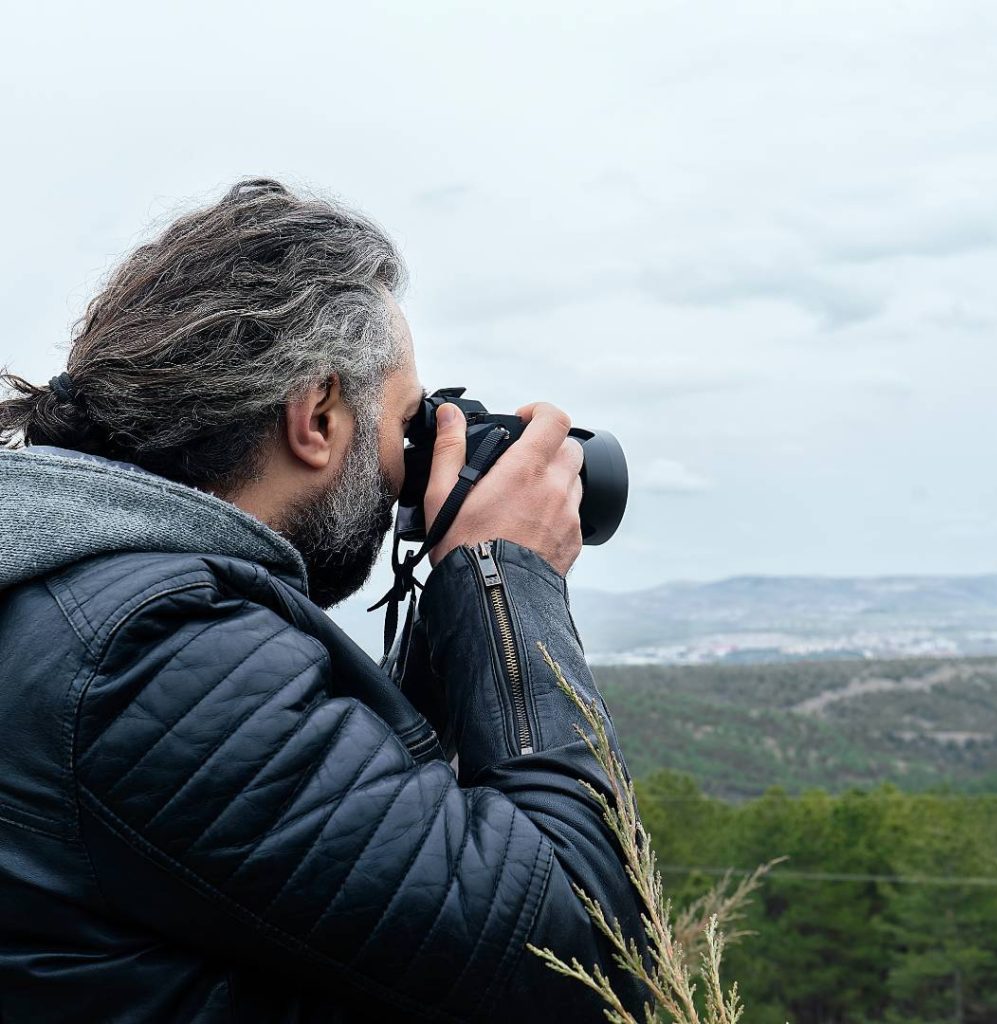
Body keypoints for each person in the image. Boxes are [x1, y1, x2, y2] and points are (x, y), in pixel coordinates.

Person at [0, 179, 647, 1022]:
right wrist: (501, 571)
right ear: (317, 415)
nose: (408, 464)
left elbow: (374, 840)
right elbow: (580, 958)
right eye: (409, 421)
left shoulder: (62, 585)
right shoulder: (153, 649)